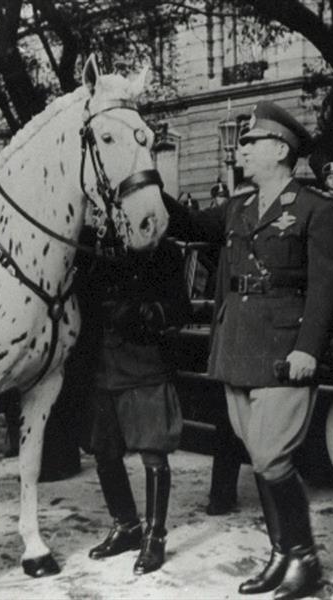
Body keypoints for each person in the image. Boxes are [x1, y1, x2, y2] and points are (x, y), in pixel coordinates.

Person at [165, 100, 333, 599]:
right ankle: (280, 555)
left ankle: (304, 559)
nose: (240, 149)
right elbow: (187, 225)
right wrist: (146, 184)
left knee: (271, 459)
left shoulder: (315, 210)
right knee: (258, 456)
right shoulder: (238, 207)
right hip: (238, 347)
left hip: (285, 350)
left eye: (251, 142)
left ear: (280, 150)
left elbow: (328, 287)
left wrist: (309, 348)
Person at [83, 233, 192, 576]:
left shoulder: (163, 252)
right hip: (102, 362)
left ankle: (154, 537)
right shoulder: (95, 246)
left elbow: (181, 308)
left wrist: (147, 312)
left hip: (144, 362)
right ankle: (126, 525)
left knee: (153, 451)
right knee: (104, 450)